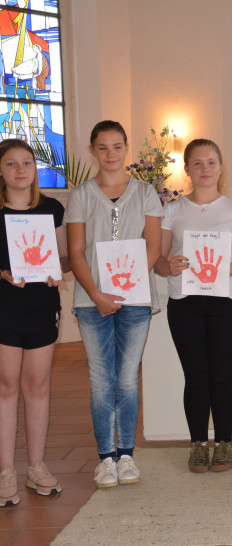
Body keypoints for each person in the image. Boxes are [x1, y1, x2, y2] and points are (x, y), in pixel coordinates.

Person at [65, 120, 162, 488]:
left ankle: (126, 456)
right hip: (91, 301)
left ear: (127, 149)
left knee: (126, 378)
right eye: (102, 147)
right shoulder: (81, 195)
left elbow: (153, 246)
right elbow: (76, 252)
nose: (110, 154)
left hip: (135, 300)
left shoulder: (145, 192)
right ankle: (105, 457)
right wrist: (97, 294)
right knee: (100, 379)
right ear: (92, 151)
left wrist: (130, 284)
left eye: (117, 146)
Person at [155, 139, 232, 473]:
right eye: (197, 163)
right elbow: (158, 259)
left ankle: (224, 444)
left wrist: (222, 268)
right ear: (187, 169)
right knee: (195, 376)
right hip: (184, 303)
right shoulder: (171, 210)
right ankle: (199, 444)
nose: (205, 169)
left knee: (221, 376)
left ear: (220, 167)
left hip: (224, 303)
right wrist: (167, 266)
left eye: (211, 162)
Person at [0, 139, 68, 506]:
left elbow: (64, 258)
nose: (21, 170)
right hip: (4, 307)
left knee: (37, 385)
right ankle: (6, 470)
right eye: (11, 164)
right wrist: (4, 273)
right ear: (1, 170)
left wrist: (58, 271)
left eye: (27, 162)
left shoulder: (53, 209)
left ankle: (36, 467)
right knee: (7, 386)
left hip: (42, 306)